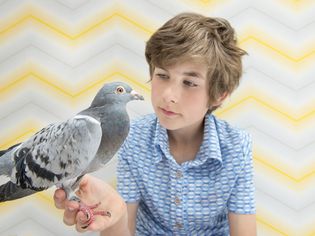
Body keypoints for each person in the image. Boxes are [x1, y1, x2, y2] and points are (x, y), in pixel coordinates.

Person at [54, 12, 256, 235]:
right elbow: (124, 228)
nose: (169, 95)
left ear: (219, 95)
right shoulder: (132, 137)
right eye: (162, 75)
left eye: (189, 82)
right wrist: (115, 215)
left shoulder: (237, 145)